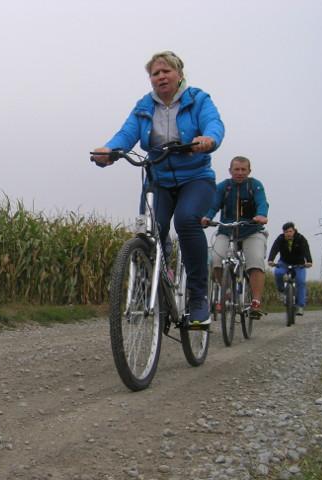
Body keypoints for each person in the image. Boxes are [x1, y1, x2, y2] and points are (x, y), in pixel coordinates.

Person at [91, 51, 224, 326]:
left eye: (166, 71)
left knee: (186, 220)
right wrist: (109, 150)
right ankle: (149, 288)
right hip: (158, 179)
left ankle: (198, 297)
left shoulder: (198, 99)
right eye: (155, 73)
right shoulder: (144, 106)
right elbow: (127, 133)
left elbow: (214, 123)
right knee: (149, 232)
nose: (161, 77)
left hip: (195, 178)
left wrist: (208, 138)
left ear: (179, 74)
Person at [201, 156, 269, 318]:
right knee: (216, 260)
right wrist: (207, 217)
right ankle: (227, 291)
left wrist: (261, 215)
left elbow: (262, 202)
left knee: (256, 261)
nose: (240, 172)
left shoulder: (255, 185)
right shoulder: (223, 187)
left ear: (249, 171)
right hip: (227, 230)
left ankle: (255, 302)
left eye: (243, 169)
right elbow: (214, 205)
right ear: (230, 170)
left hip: (251, 230)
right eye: (236, 169)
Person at [267, 222, 313, 315]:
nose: (288, 233)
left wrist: (309, 261)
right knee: (278, 273)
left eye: (290, 231)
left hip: (299, 264)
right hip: (284, 262)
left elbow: (306, 249)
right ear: (283, 232)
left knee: (301, 282)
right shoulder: (280, 239)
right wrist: (270, 260)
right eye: (286, 232)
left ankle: (300, 306)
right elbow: (274, 248)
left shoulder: (300, 238)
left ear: (294, 231)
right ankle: (281, 291)